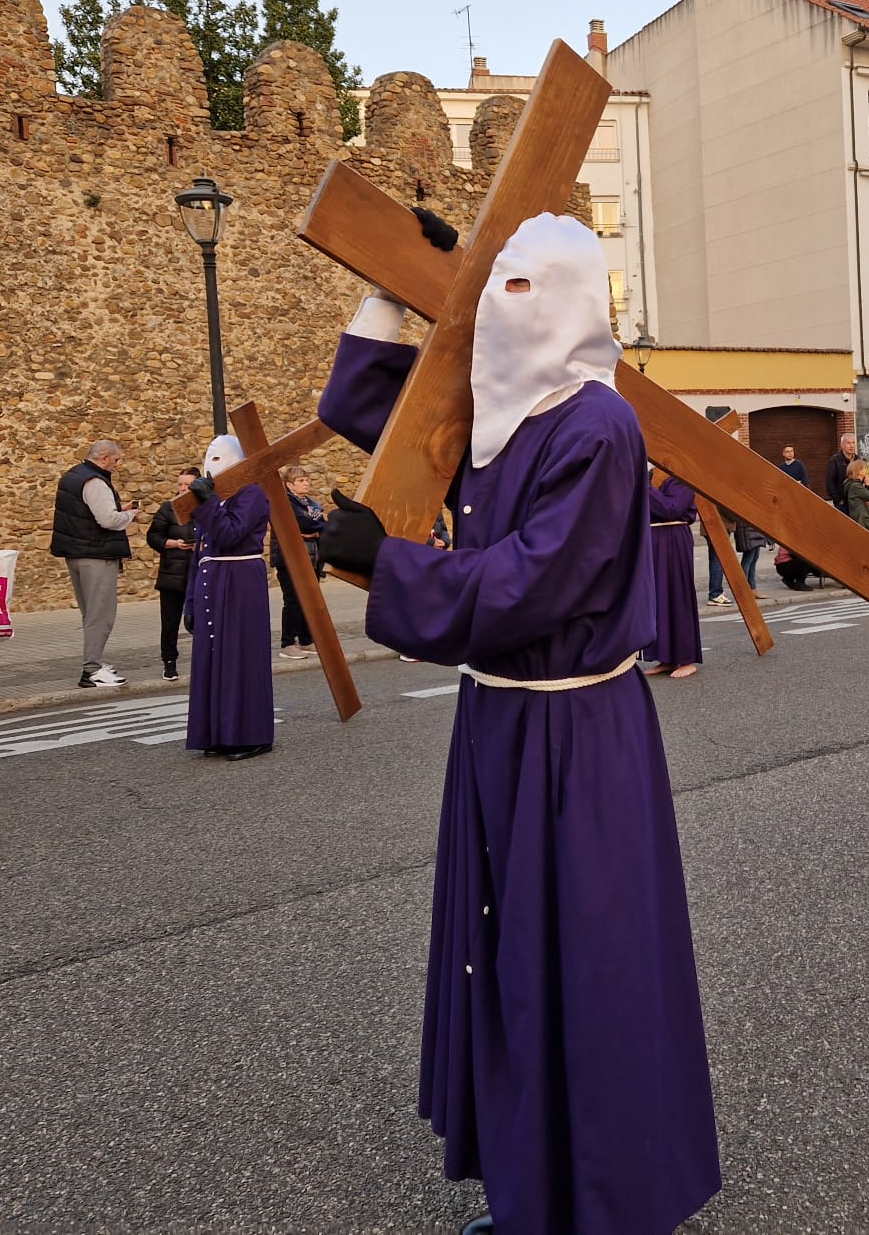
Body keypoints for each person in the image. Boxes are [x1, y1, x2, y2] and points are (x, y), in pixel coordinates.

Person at [315, 211, 719, 1233]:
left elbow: (534, 583)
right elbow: (376, 410)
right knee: (506, 959)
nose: (508, 305)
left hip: (579, 739)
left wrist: (388, 563)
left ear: (579, 299)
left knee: (583, 967)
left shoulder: (596, 423)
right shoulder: (497, 410)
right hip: (498, 726)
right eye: (505, 286)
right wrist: (414, 287)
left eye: (527, 287)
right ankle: (531, 1191)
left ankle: (607, 1199)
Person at [182, 437, 274, 760]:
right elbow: (201, 551)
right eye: (209, 457)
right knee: (211, 658)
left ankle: (251, 734)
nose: (211, 464)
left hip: (240, 582)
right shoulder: (213, 499)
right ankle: (216, 732)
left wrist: (206, 505)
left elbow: (231, 535)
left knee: (240, 657)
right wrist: (190, 601)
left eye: (219, 458)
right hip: (212, 580)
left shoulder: (252, 494)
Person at [49, 439, 137, 689]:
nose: (117, 465)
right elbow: (108, 520)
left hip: (76, 553)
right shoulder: (95, 481)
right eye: (116, 460)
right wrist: (129, 515)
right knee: (101, 615)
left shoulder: (73, 476)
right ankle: (92, 669)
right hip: (96, 555)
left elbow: (83, 512)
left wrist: (119, 508)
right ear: (104, 458)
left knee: (90, 613)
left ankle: (95, 663)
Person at [646, 471, 703, 678]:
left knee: (677, 596)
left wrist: (646, 487)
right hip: (653, 540)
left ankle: (687, 658)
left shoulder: (682, 477)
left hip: (673, 540)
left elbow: (671, 509)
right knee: (658, 599)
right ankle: (666, 657)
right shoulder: (652, 477)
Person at [146, 468, 201, 681]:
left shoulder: (206, 509)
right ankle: (169, 662)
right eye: (180, 484)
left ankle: (204, 660)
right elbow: (153, 537)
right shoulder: (168, 508)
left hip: (198, 574)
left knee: (202, 621)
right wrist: (174, 544)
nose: (182, 489)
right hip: (173, 574)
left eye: (187, 485)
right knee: (169, 622)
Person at [272, 464, 327, 660]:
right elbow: (304, 523)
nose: (306, 484)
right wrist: (315, 527)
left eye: (306, 480)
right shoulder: (285, 503)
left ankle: (305, 639)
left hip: (312, 555)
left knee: (310, 600)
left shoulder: (310, 502)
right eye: (301, 481)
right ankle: (287, 643)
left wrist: (316, 527)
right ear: (289, 485)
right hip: (290, 558)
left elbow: (322, 523)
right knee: (293, 601)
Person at [844, 458, 869, 532]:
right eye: (865, 468)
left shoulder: (857, 485)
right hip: (863, 521)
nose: (867, 470)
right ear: (859, 471)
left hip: (864, 519)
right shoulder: (855, 486)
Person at [824, 433, 857, 512]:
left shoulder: (858, 460)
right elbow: (830, 482)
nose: (851, 446)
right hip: (842, 502)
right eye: (848, 443)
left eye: (853, 443)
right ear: (842, 445)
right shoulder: (835, 460)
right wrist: (838, 499)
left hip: (856, 501)